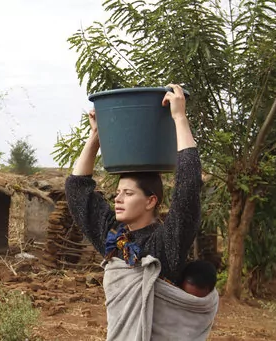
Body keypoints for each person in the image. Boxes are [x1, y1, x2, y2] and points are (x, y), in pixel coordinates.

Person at [66, 84, 216, 340]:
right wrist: (95, 137)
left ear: (151, 201)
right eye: (118, 192)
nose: (118, 198)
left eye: (128, 193)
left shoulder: (166, 245)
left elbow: (188, 188)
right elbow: (77, 191)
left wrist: (179, 118)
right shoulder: (113, 239)